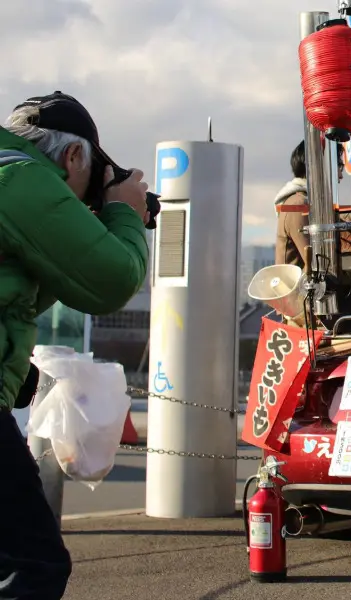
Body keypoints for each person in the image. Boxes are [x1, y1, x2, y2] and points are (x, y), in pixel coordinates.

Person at [0, 91, 150, 599]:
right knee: (33, 564)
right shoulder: (22, 178)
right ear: (73, 157)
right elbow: (106, 283)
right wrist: (123, 215)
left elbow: (22, 293)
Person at [274, 140, 346, 270]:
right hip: (301, 290)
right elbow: (318, 265)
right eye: (339, 166)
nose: (341, 176)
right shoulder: (298, 205)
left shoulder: (304, 202)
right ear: (320, 167)